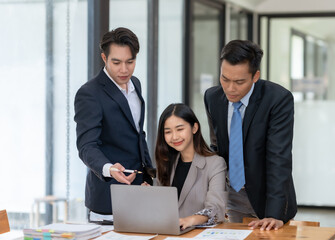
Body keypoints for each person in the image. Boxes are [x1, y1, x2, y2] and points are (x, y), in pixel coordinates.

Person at [204, 40, 297, 230]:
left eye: (239, 82)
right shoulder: (212, 98)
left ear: (255, 76)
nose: (230, 88)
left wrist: (274, 213)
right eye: (224, 79)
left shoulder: (277, 100)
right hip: (232, 197)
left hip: (267, 198)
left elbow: (278, 158)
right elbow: (217, 146)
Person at [74, 27, 153, 222]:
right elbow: (86, 146)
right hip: (108, 198)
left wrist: (150, 173)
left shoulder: (136, 84)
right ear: (104, 58)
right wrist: (109, 168)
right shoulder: (89, 93)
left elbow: (137, 133)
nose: (124, 70)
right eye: (116, 62)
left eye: (130, 62)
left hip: (141, 193)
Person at [152, 103, 227, 230]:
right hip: (168, 234)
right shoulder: (165, 163)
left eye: (180, 129)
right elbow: (160, 209)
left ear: (194, 128)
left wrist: (190, 220)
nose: (174, 137)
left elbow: (215, 209)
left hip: (199, 235)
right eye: (168, 132)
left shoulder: (215, 164)